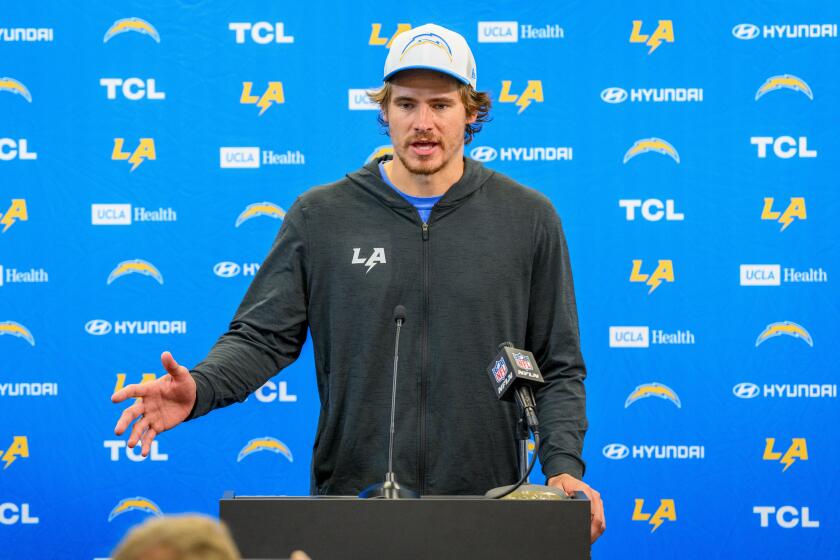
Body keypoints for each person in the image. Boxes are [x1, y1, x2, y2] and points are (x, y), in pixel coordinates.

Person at [112, 23, 605, 542]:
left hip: (490, 507)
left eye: (441, 105)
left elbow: (559, 366)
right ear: (384, 110)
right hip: (355, 507)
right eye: (407, 104)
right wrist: (202, 388)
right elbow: (262, 338)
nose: (423, 123)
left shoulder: (527, 217)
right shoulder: (322, 215)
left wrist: (563, 465)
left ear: (472, 112)